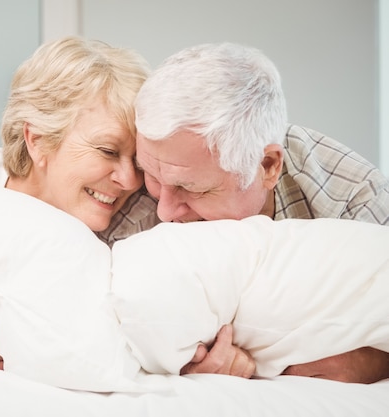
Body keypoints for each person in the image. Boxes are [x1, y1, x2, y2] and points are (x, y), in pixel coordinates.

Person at [0, 38, 258, 381]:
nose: (129, 180)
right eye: (107, 151)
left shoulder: (150, 222)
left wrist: (2, 338)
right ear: (37, 139)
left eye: (138, 161)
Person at [120, 41, 388, 383]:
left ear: (267, 166)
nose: (164, 211)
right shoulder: (134, 183)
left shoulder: (354, 198)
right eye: (152, 177)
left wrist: (376, 363)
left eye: (195, 190)